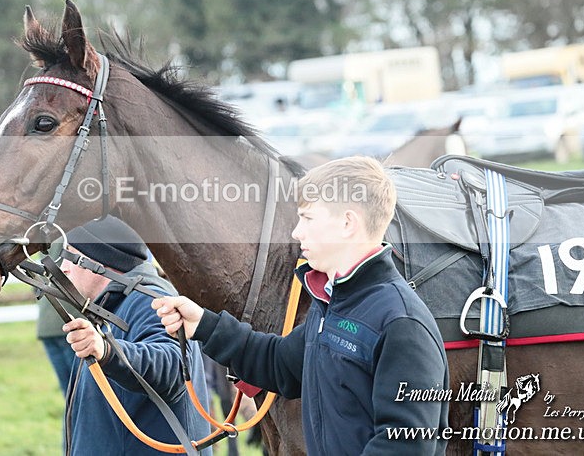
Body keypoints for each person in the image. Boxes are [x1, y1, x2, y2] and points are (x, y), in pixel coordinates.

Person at [153, 156, 449, 455]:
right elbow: (280, 363)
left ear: (348, 223)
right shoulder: (334, 303)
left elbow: (405, 445)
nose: (297, 232)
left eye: (308, 218)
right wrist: (204, 325)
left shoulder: (401, 322)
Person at [59, 216, 212, 455]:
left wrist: (107, 352)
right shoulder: (116, 306)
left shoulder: (149, 301)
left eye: (70, 254)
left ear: (98, 261)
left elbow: (173, 367)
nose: (63, 267)